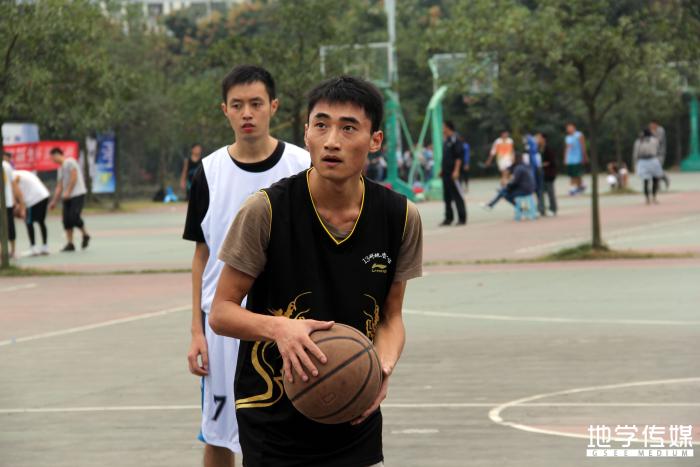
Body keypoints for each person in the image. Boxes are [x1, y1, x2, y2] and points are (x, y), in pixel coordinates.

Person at [210, 76, 423, 467]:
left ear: (375, 140)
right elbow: (221, 312)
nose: (332, 141)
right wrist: (280, 329)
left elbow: (391, 317)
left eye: (348, 128)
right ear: (306, 134)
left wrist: (381, 367)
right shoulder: (265, 211)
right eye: (321, 125)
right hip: (273, 417)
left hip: (354, 414)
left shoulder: (399, 217)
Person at [182, 65, 310, 467]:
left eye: (256, 103)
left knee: (293, 431)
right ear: (225, 110)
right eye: (237, 105)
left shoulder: (303, 164)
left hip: (287, 319)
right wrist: (196, 332)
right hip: (223, 326)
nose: (247, 113)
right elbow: (202, 255)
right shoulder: (209, 172)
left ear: (274, 106)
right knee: (218, 435)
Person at [47, 148, 90, 252]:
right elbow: (59, 186)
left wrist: (68, 192)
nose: (52, 160)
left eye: (52, 157)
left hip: (77, 194)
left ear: (57, 154)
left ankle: (85, 235)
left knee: (74, 217)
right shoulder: (60, 169)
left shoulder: (70, 162)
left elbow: (74, 177)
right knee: (66, 220)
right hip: (67, 197)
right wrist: (54, 201)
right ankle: (70, 243)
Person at [12, 169, 50, 256]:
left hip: (34, 198)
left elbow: (19, 193)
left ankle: (33, 248)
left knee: (28, 222)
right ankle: (45, 247)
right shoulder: (19, 173)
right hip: (44, 195)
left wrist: (21, 207)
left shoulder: (12, 176)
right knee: (41, 222)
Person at [439, 120, 466, 226]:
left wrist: (456, 170)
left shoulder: (456, 139)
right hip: (446, 173)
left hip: (453, 173)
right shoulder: (446, 140)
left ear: (448, 128)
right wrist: (442, 170)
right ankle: (448, 218)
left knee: (457, 196)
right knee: (447, 197)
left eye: (443, 127)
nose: (442, 129)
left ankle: (462, 218)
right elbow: (446, 157)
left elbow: (458, 157)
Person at [633, 129, 664, 204]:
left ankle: (651, 198)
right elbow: (636, 153)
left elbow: (635, 154)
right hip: (646, 161)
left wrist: (635, 163)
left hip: (651, 160)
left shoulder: (652, 140)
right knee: (648, 180)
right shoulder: (639, 142)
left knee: (651, 180)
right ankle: (650, 198)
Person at [524, 132, 545, 215]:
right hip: (534, 171)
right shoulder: (531, 148)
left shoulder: (536, 148)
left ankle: (540, 208)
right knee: (536, 191)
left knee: (538, 191)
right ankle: (537, 208)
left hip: (537, 171)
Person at [1, 152, 18, 259]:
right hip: (8, 202)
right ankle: (12, 250)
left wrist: (14, 198)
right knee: (10, 226)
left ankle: (5, 252)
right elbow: (13, 184)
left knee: (8, 227)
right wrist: (14, 199)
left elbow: (12, 183)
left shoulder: (6, 166)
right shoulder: (7, 165)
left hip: (6, 202)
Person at [537, 132, 557, 215]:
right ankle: (541, 209)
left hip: (549, 174)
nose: (537, 139)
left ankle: (553, 209)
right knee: (540, 192)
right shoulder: (537, 148)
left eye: (539, 138)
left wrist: (542, 164)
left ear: (543, 139)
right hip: (540, 174)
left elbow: (552, 161)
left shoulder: (548, 148)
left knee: (550, 192)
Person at [564, 123, 587, 195]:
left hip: (578, 158)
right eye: (568, 128)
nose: (569, 129)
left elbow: (583, 145)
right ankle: (580, 186)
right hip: (570, 159)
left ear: (574, 128)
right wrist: (565, 158)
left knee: (577, 174)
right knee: (572, 174)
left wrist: (584, 156)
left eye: (570, 127)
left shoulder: (579, 135)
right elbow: (567, 148)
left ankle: (575, 188)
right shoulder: (568, 138)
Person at [649, 120, 669, 189]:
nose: (651, 126)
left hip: (660, 153)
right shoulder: (650, 130)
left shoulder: (661, 130)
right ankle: (662, 179)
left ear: (655, 124)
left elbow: (658, 140)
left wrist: (652, 133)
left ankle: (661, 181)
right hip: (653, 153)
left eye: (652, 125)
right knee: (653, 169)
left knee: (657, 168)